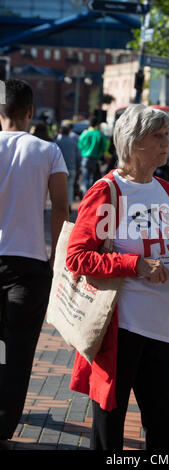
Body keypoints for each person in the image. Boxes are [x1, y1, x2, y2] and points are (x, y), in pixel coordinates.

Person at [65, 104, 169, 451]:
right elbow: (76, 258)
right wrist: (134, 264)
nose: (167, 142)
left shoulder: (166, 190)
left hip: (165, 326)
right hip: (122, 327)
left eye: (167, 135)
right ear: (132, 142)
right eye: (157, 136)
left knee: (164, 424)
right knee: (110, 425)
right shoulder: (108, 191)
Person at [0, 79, 69, 449]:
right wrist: (58, 258)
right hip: (29, 264)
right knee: (19, 349)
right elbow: (60, 207)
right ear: (30, 112)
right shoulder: (48, 151)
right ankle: (4, 425)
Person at [78, 116, 108, 195]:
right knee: (93, 179)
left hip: (85, 158)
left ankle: (85, 197)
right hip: (95, 159)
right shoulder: (100, 134)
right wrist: (101, 153)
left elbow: (80, 144)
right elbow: (104, 146)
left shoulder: (85, 133)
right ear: (97, 124)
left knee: (85, 180)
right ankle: (92, 196)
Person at [56, 125, 81, 212]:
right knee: (70, 187)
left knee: (59, 188)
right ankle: (69, 204)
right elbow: (78, 155)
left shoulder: (58, 142)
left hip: (59, 168)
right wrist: (78, 166)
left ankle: (60, 205)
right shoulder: (73, 142)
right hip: (72, 167)